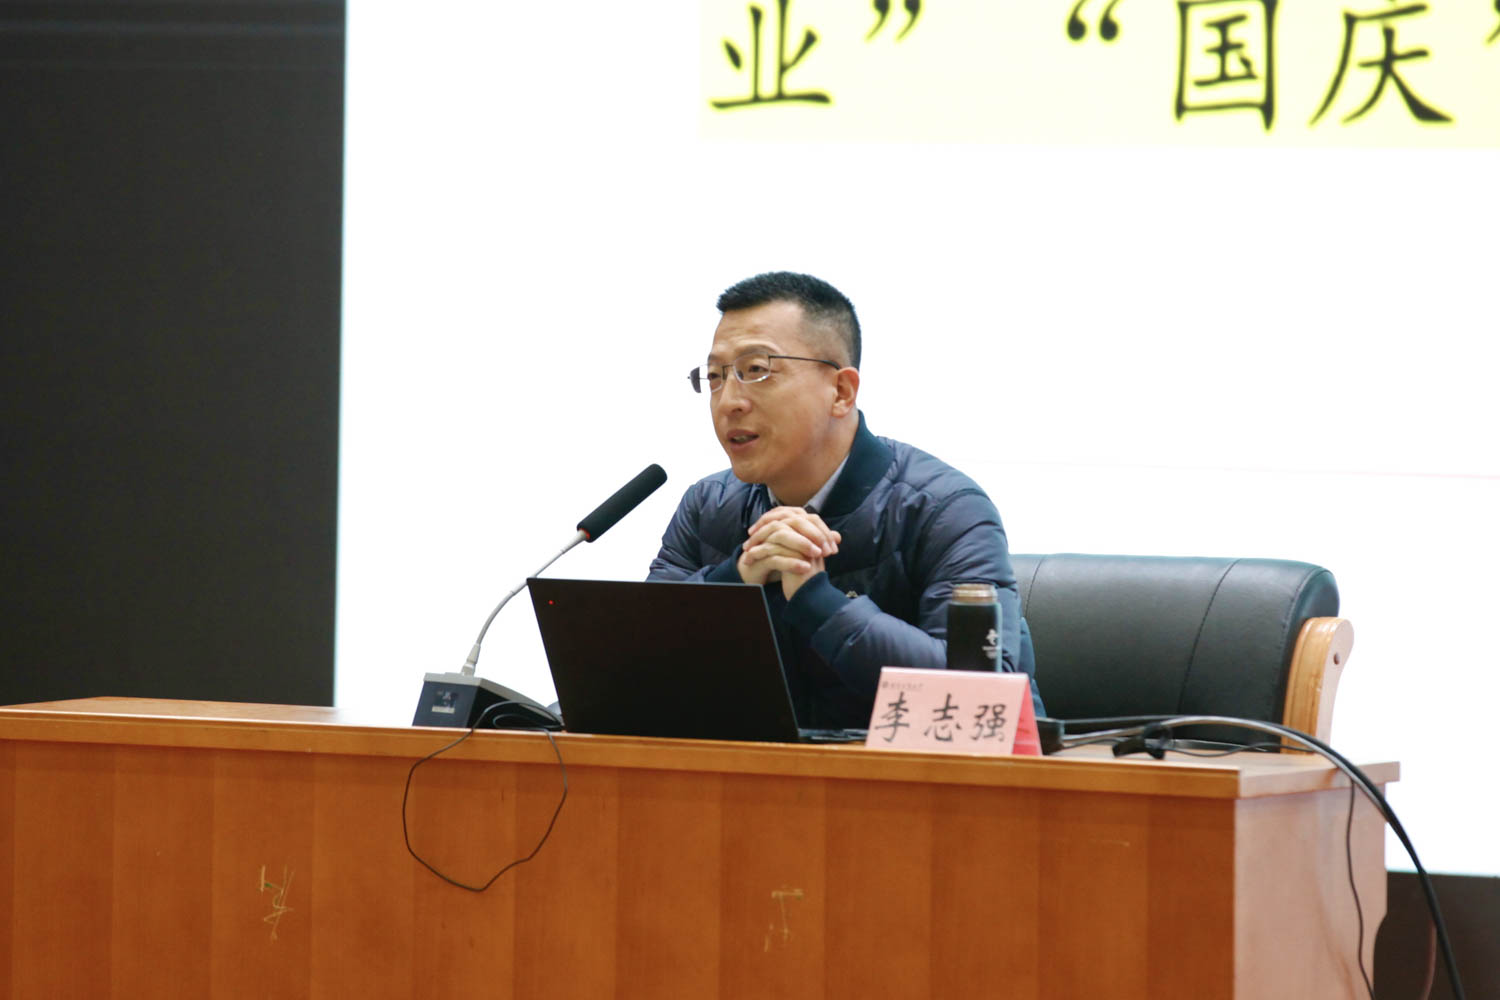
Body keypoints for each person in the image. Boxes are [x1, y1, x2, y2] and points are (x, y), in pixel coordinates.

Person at [648, 271, 1041, 728]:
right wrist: (735, 580)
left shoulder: (944, 509)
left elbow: (980, 701)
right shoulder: (707, 506)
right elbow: (637, 661)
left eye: (756, 370)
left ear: (841, 391)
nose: (728, 401)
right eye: (715, 377)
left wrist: (817, 600)